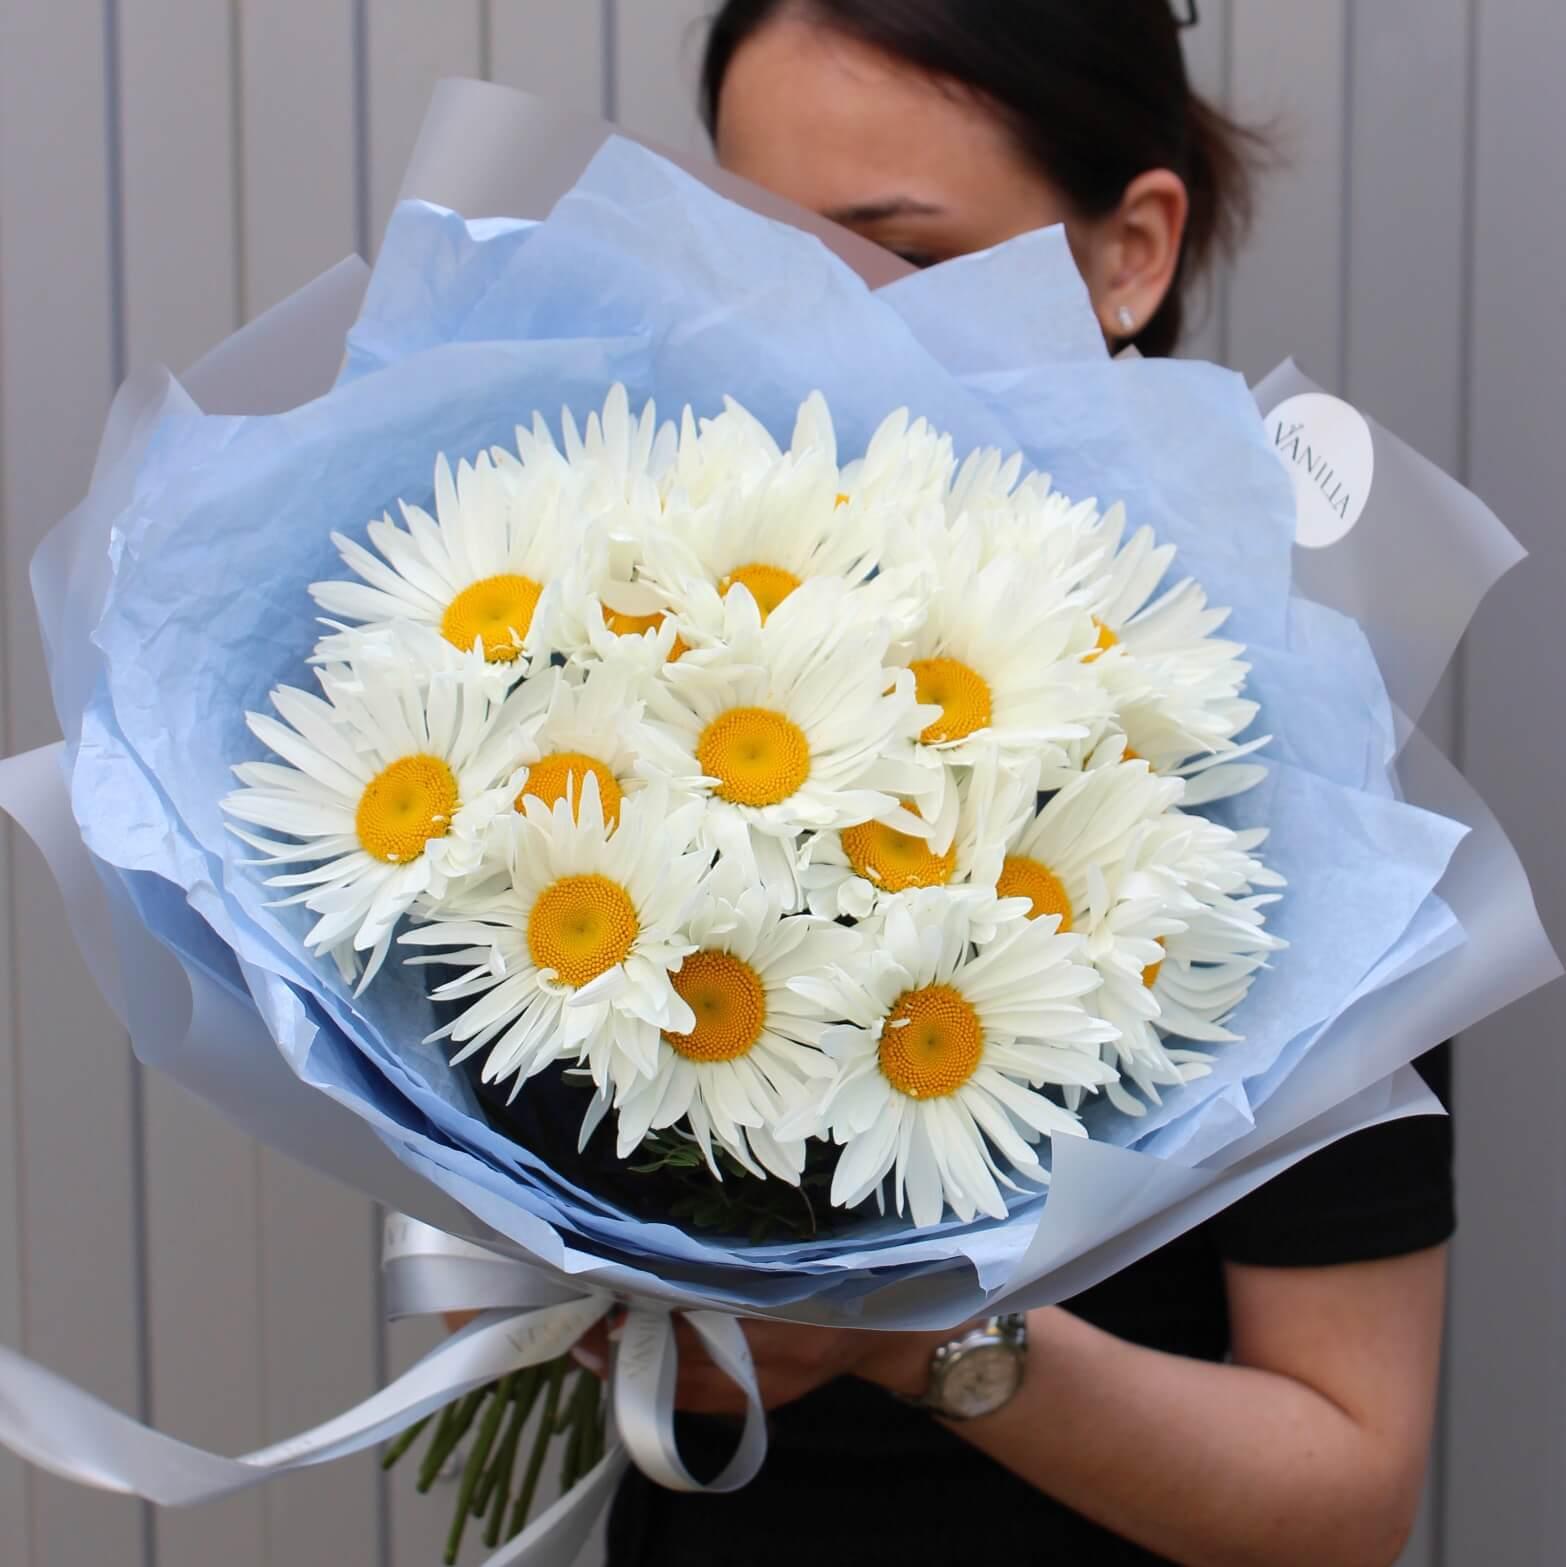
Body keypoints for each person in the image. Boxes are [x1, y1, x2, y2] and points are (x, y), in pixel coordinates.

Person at [594, 5, 1455, 1566]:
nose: (811, 327)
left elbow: (1345, 1494)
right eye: (758, 250)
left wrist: (899, 1331)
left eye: (900, 256)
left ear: (1130, 253)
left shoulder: (1271, 757)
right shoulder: (643, 636)